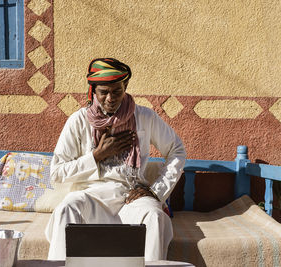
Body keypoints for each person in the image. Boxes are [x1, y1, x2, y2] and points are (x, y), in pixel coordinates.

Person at [45, 58, 186, 261]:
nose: (110, 98)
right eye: (104, 92)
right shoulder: (78, 121)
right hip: (92, 198)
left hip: (131, 198)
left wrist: (156, 191)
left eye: (116, 91)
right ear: (93, 90)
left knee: (155, 217)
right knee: (67, 208)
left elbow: (177, 150)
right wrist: (97, 156)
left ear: (125, 86)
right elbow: (57, 174)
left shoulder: (145, 117)